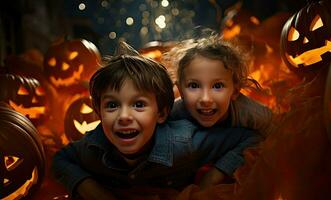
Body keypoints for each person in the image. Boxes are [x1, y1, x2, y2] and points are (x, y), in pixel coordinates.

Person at [51, 42, 261, 199]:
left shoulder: (185, 141)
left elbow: (251, 138)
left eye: (139, 105)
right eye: (112, 105)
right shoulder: (92, 146)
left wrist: (213, 176)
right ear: (98, 112)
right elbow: (60, 159)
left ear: (161, 113)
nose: (124, 116)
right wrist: (91, 190)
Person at [164, 33, 274, 187]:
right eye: (194, 86)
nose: (206, 99)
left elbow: (274, 135)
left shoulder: (252, 113)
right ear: (180, 90)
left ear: (235, 91)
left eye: (217, 86)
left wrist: (221, 169)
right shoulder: (173, 113)